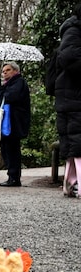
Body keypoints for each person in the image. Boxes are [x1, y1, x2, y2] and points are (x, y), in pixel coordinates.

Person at [53, 2, 81, 197]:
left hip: (72, 95)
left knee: (75, 142)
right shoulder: (73, 30)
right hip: (73, 95)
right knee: (77, 141)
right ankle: (75, 183)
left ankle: (70, 183)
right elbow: (69, 58)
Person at [0, 61, 31, 187]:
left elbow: (11, 96)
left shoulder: (19, 82)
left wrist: (3, 89)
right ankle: (11, 176)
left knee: (12, 149)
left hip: (14, 122)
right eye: (3, 71)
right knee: (5, 149)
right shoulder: (5, 84)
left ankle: (14, 177)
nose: (4, 73)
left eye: (8, 70)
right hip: (6, 122)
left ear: (15, 71)